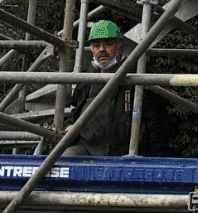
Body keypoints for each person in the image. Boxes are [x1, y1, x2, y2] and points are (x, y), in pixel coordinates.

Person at [63, 20, 173, 157]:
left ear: (120, 48)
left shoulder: (137, 77)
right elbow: (75, 111)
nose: (102, 49)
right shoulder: (87, 79)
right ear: (92, 51)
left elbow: (156, 125)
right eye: (97, 46)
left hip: (124, 153)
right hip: (87, 149)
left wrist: (159, 162)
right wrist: (68, 125)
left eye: (108, 44)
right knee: (65, 160)